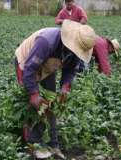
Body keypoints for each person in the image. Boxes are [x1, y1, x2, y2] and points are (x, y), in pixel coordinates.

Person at [14, 20, 96, 159]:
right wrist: (34, 93)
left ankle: (53, 145)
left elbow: (70, 71)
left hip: (47, 68)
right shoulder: (47, 42)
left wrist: (65, 87)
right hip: (27, 63)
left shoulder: (76, 52)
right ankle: (36, 144)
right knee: (34, 106)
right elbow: (29, 68)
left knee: (50, 104)